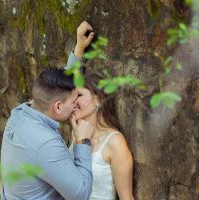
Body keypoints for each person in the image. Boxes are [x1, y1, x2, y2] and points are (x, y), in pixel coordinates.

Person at [0, 42, 96, 199]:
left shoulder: (19, 114)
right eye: (74, 101)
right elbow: (80, 194)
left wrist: (78, 50)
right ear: (58, 107)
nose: (75, 105)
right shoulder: (46, 143)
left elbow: (57, 89)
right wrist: (83, 142)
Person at [67, 21, 135, 200]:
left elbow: (127, 198)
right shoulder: (77, 132)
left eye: (79, 96)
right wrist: (79, 47)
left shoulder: (115, 143)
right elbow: (65, 86)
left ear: (98, 99)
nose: (72, 102)